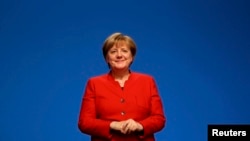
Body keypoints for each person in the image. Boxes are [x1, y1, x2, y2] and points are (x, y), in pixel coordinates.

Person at [78, 32, 166, 141]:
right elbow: (84, 122)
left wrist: (140, 126)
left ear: (132, 57)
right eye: (113, 51)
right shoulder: (94, 83)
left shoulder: (148, 81)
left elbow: (159, 119)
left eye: (124, 51)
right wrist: (112, 125)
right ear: (107, 58)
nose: (119, 55)